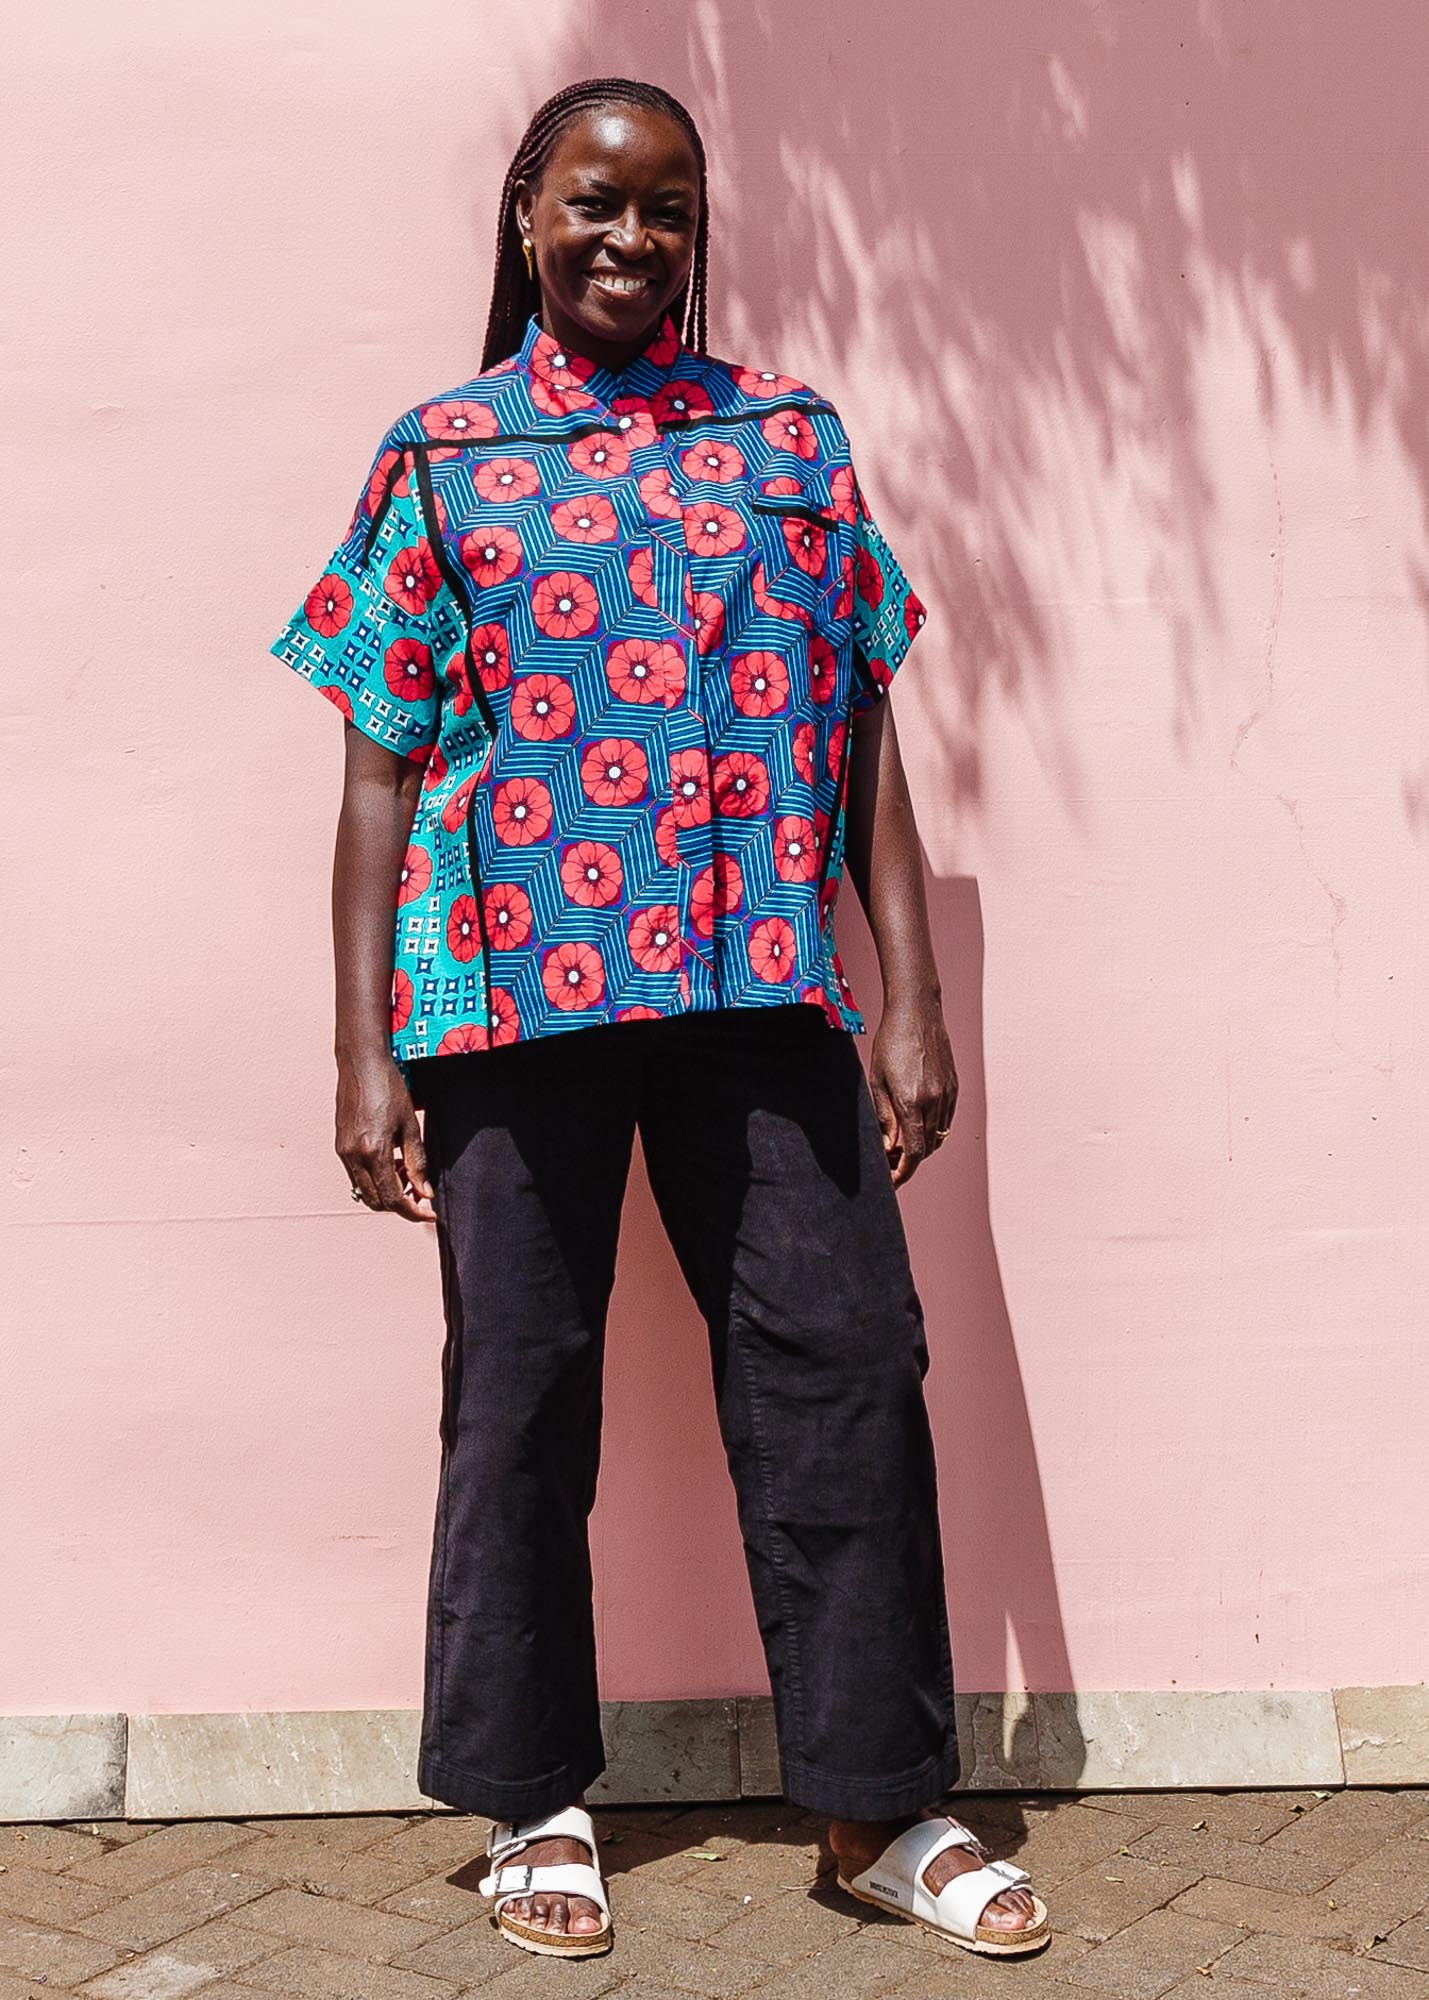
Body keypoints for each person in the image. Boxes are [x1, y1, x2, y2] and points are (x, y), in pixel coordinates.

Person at [271, 74, 1049, 1965]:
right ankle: (533, 1796)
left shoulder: (788, 441)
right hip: (508, 1000)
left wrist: (910, 1004)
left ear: (701, 236)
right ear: (530, 211)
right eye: (598, 205)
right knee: (522, 1400)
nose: (633, 242)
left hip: (756, 986)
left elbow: (857, 726)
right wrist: (366, 1042)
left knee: (846, 1378)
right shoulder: (443, 455)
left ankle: (879, 1803)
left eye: (671, 214)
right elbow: (380, 765)